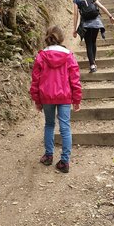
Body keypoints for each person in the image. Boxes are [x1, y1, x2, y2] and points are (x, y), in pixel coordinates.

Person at [30, 25, 81, 173]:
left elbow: (35, 81)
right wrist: (76, 99)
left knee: (49, 124)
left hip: (46, 96)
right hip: (65, 96)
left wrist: (37, 100)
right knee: (65, 128)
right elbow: (75, 80)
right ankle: (64, 162)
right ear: (61, 38)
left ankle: (48, 156)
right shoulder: (69, 55)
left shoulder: (41, 56)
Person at [72, 0, 114, 73]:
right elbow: (101, 7)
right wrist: (110, 16)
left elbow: (75, 14)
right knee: (93, 42)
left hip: (85, 24)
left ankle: (92, 65)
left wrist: (75, 29)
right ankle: (93, 62)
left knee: (88, 44)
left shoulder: (76, 0)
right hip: (96, 22)